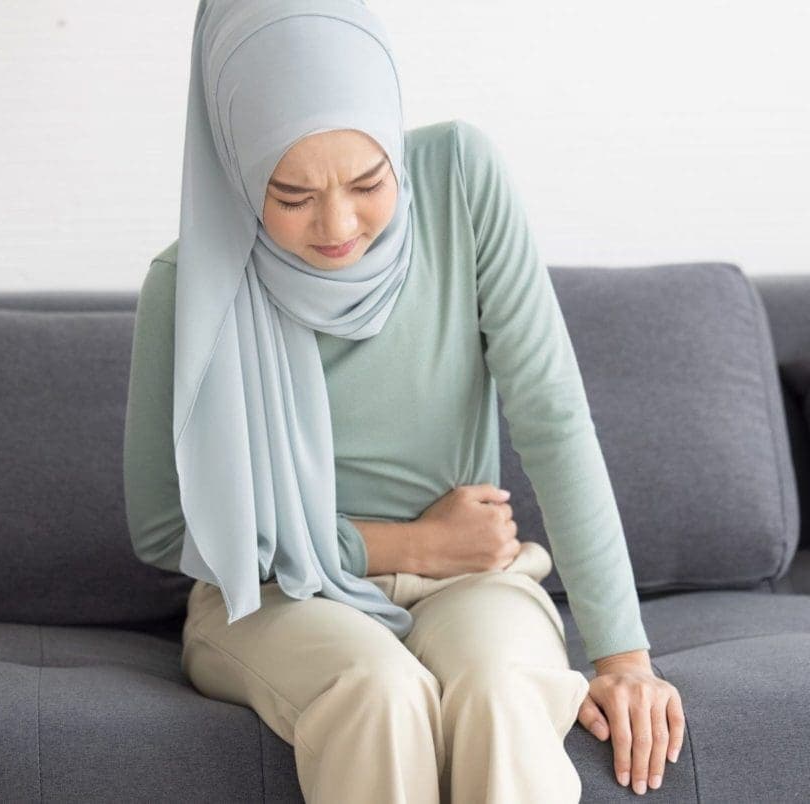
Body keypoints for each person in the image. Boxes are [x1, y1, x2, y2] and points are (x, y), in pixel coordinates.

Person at [122, 0, 685, 801]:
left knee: (501, 692)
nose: (338, 224)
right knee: (378, 693)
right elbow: (163, 527)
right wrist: (406, 546)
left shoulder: (460, 178)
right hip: (273, 598)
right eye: (289, 195)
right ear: (239, 162)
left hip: (473, 582)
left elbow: (553, 417)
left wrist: (625, 659)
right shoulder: (187, 286)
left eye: (368, 181)